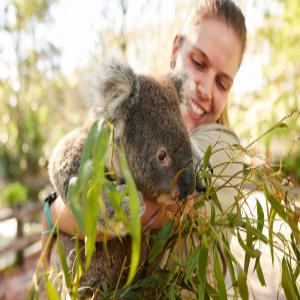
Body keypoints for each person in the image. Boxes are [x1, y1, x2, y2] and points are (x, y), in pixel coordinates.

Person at [41, 0, 247, 274]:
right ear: (176, 49)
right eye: (198, 63)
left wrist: (52, 212)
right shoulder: (135, 114)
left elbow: (148, 212)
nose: (205, 89)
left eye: (223, 83)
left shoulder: (224, 149)